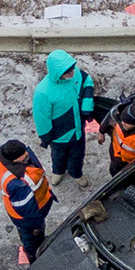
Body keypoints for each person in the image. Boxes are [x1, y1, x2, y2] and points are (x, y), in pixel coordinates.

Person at [32, 49, 95, 185]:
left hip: (77, 129)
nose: (73, 72)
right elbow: (41, 116)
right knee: (58, 155)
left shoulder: (75, 73)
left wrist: (86, 106)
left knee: (77, 154)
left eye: (72, 68)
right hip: (59, 135)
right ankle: (58, 171)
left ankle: (76, 173)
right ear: (58, 73)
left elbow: (87, 82)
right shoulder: (43, 91)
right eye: (68, 72)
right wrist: (45, 135)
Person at [0, 139, 52, 263]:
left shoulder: (4, 159)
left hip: (23, 211)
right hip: (27, 218)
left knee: (26, 234)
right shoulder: (17, 184)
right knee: (32, 238)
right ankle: (33, 256)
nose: (28, 156)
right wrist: (37, 226)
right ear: (15, 161)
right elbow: (27, 210)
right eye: (24, 157)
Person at [104, 97, 135, 175]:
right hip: (116, 157)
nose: (123, 123)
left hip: (134, 167)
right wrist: (101, 131)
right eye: (123, 119)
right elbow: (108, 119)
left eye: (127, 122)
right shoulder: (119, 117)